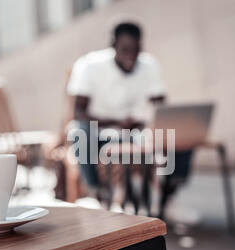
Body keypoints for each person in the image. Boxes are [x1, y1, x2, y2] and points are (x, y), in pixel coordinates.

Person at [67, 21, 193, 217]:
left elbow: (161, 107)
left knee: (178, 131)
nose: (131, 56)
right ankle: (96, 194)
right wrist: (116, 122)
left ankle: (168, 197)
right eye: (126, 49)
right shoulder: (89, 66)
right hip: (101, 134)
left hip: (137, 134)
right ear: (114, 46)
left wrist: (152, 122)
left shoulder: (149, 65)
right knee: (78, 131)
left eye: (136, 50)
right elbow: (77, 113)